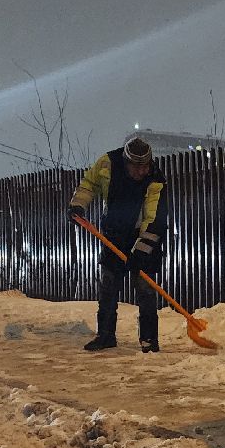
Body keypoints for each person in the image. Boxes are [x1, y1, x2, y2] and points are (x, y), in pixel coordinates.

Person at [68, 135, 170, 353]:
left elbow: (154, 220)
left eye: (146, 166)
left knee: (145, 288)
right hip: (113, 234)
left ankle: (149, 340)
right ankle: (105, 336)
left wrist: (140, 253)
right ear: (126, 162)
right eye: (137, 167)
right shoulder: (108, 164)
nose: (142, 171)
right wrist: (78, 205)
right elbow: (89, 184)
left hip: (142, 237)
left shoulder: (155, 179)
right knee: (108, 286)